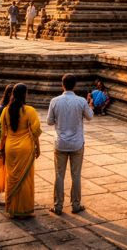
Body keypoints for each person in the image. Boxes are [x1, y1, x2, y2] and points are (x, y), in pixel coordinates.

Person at [47, 74, 93, 215]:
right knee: (76, 175)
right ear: (75, 85)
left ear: (62, 85)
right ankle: (75, 205)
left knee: (59, 175)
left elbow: (49, 121)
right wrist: (89, 104)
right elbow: (90, 116)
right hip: (77, 143)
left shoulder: (55, 101)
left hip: (60, 142)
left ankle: (58, 206)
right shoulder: (81, 101)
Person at [0, 83, 42, 218]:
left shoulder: (6, 110)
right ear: (24, 94)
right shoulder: (30, 110)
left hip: (10, 147)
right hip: (26, 148)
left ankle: (12, 209)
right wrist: (37, 147)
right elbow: (35, 131)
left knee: (11, 177)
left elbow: (1, 132)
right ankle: (24, 210)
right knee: (26, 179)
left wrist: (0, 148)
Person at [0, 84, 13, 206]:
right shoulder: (1, 108)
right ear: (9, 94)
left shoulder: (9, 108)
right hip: (1, 142)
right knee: (0, 169)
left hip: (8, 142)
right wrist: (1, 146)